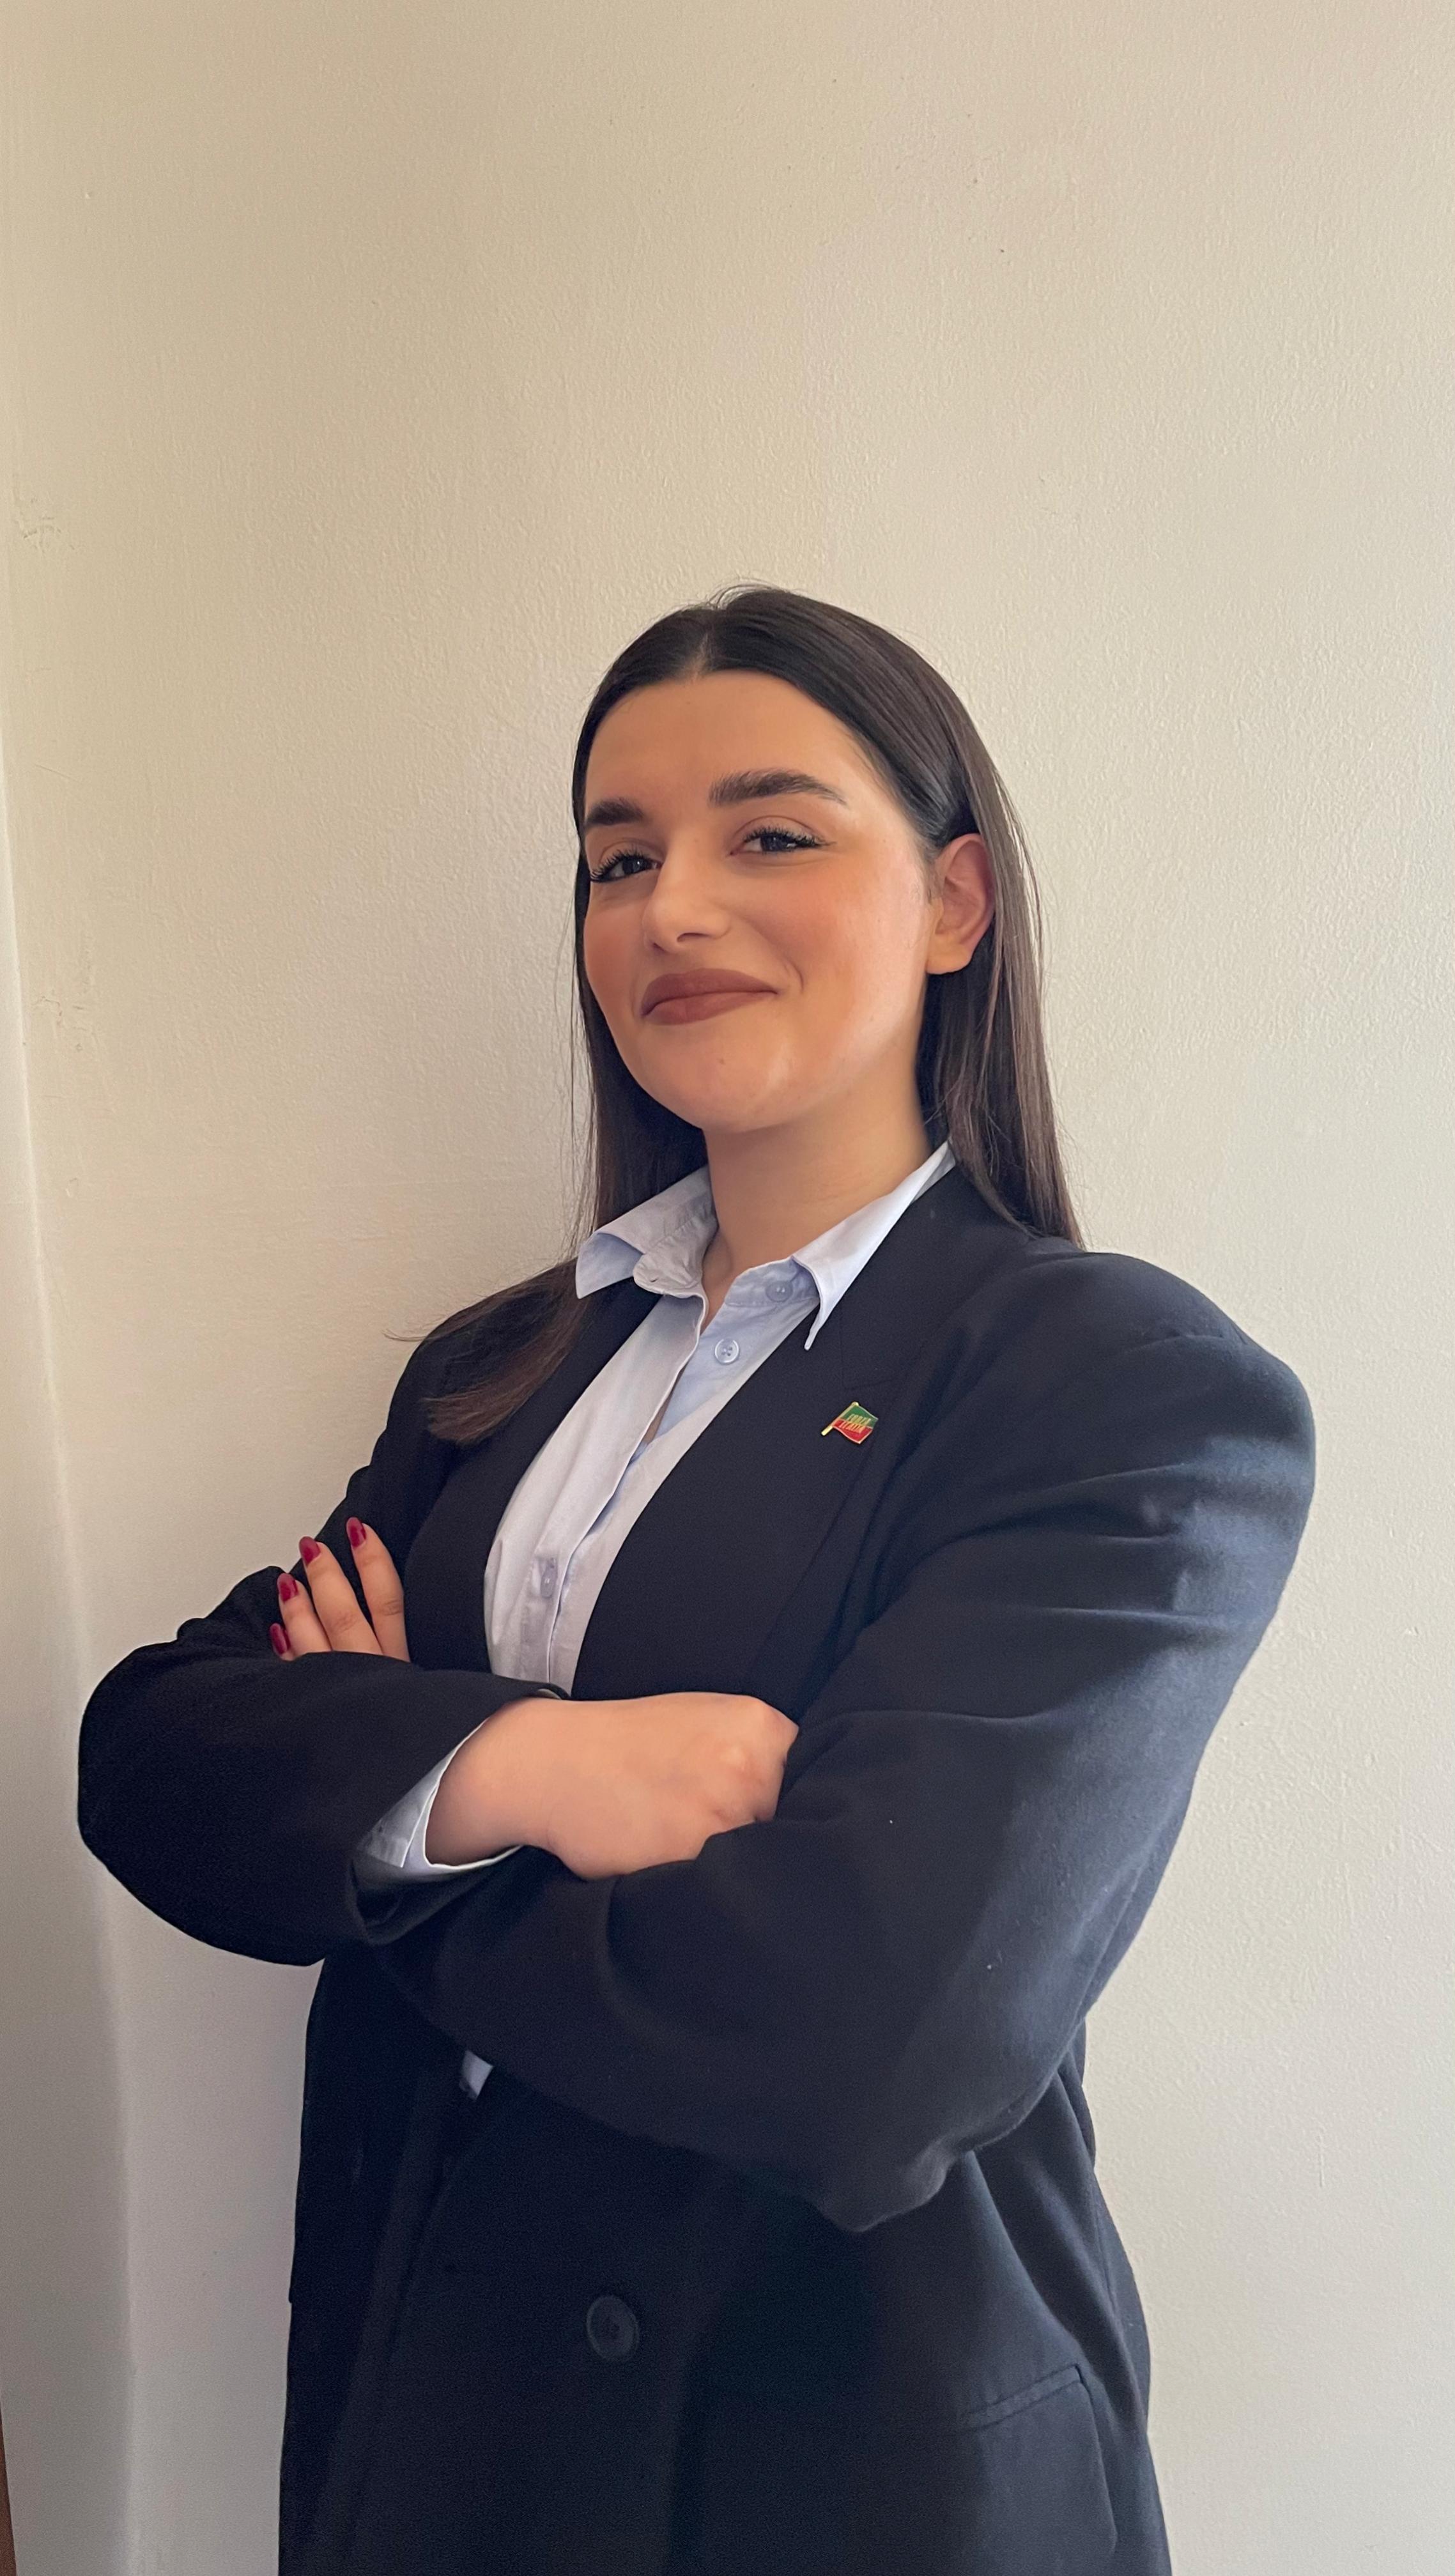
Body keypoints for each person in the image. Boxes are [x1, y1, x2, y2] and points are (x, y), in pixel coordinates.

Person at [77, 584, 1316, 2576]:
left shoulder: (1116, 1387)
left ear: (954, 902)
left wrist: (385, 1830)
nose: (673, 910)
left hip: (832, 2459)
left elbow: (871, 2044)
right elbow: (152, 1755)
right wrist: (526, 1772)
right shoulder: (502, 1368)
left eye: (771, 834)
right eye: (618, 859)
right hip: (436, 2422)